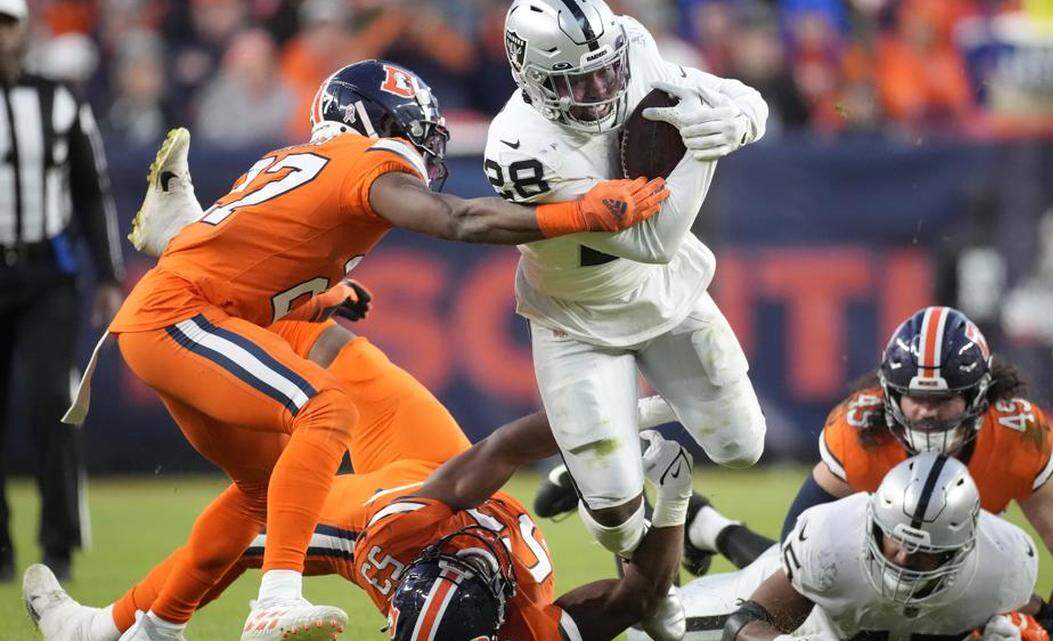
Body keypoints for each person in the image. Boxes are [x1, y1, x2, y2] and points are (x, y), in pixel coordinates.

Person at [72, 59, 668, 641]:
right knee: (325, 410)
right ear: (373, 123)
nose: (423, 152)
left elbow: (255, 267)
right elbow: (457, 219)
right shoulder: (364, 159)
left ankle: (135, 627)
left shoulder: (296, 161)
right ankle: (274, 602)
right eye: (412, 130)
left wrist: (320, 293)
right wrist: (581, 213)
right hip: (179, 315)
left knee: (263, 493)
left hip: (197, 311)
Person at [25, 320, 693, 641]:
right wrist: (658, 476)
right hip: (432, 496)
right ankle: (232, 273)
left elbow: (637, 597)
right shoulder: (417, 537)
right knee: (348, 354)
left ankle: (99, 630)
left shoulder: (382, 549)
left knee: (257, 518)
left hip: (389, 527)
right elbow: (637, 593)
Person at [482, 0, 769, 587]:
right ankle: (618, 461)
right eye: (575, 79)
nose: (599, 87)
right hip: (577, 317)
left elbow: (744, 97)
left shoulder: (633, 49)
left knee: (743, 446)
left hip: (665, 292)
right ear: (531, 78)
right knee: (616, 523)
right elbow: (653, 238)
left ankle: (601, 429)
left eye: (605, 69)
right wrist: (704, 150)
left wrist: (738, 122)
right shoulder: (520, 149)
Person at [672, 306, 1053, 641]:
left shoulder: (1016, 438)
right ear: (890, 392)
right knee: (806, 577)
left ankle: (711, 525)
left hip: (951, 566)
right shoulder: (862, 433)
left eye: (945, 398)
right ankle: (712, 528)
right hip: (866, 559)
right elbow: (798, 555)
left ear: (978, 396)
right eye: (913, 397)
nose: (926, 411)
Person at [638, 453, 1045, 641]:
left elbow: (1025, 610)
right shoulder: (833, 539)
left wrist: (1027, 630)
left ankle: (709, 524)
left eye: (922, 553)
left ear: (960, 550)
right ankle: (642, 512)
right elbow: (744, 624)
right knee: (650, 629)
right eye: (896, 542)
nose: (902, 560)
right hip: (811, 622)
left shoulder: (1006, 565)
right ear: (875, 524)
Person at [0, 0, 123, 582]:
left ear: (25, 31)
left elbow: (91, 188)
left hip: (47, 271)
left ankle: (60, 546)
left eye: (7, 25)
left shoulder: (59, 98)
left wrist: (107, 274)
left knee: (53, 396)